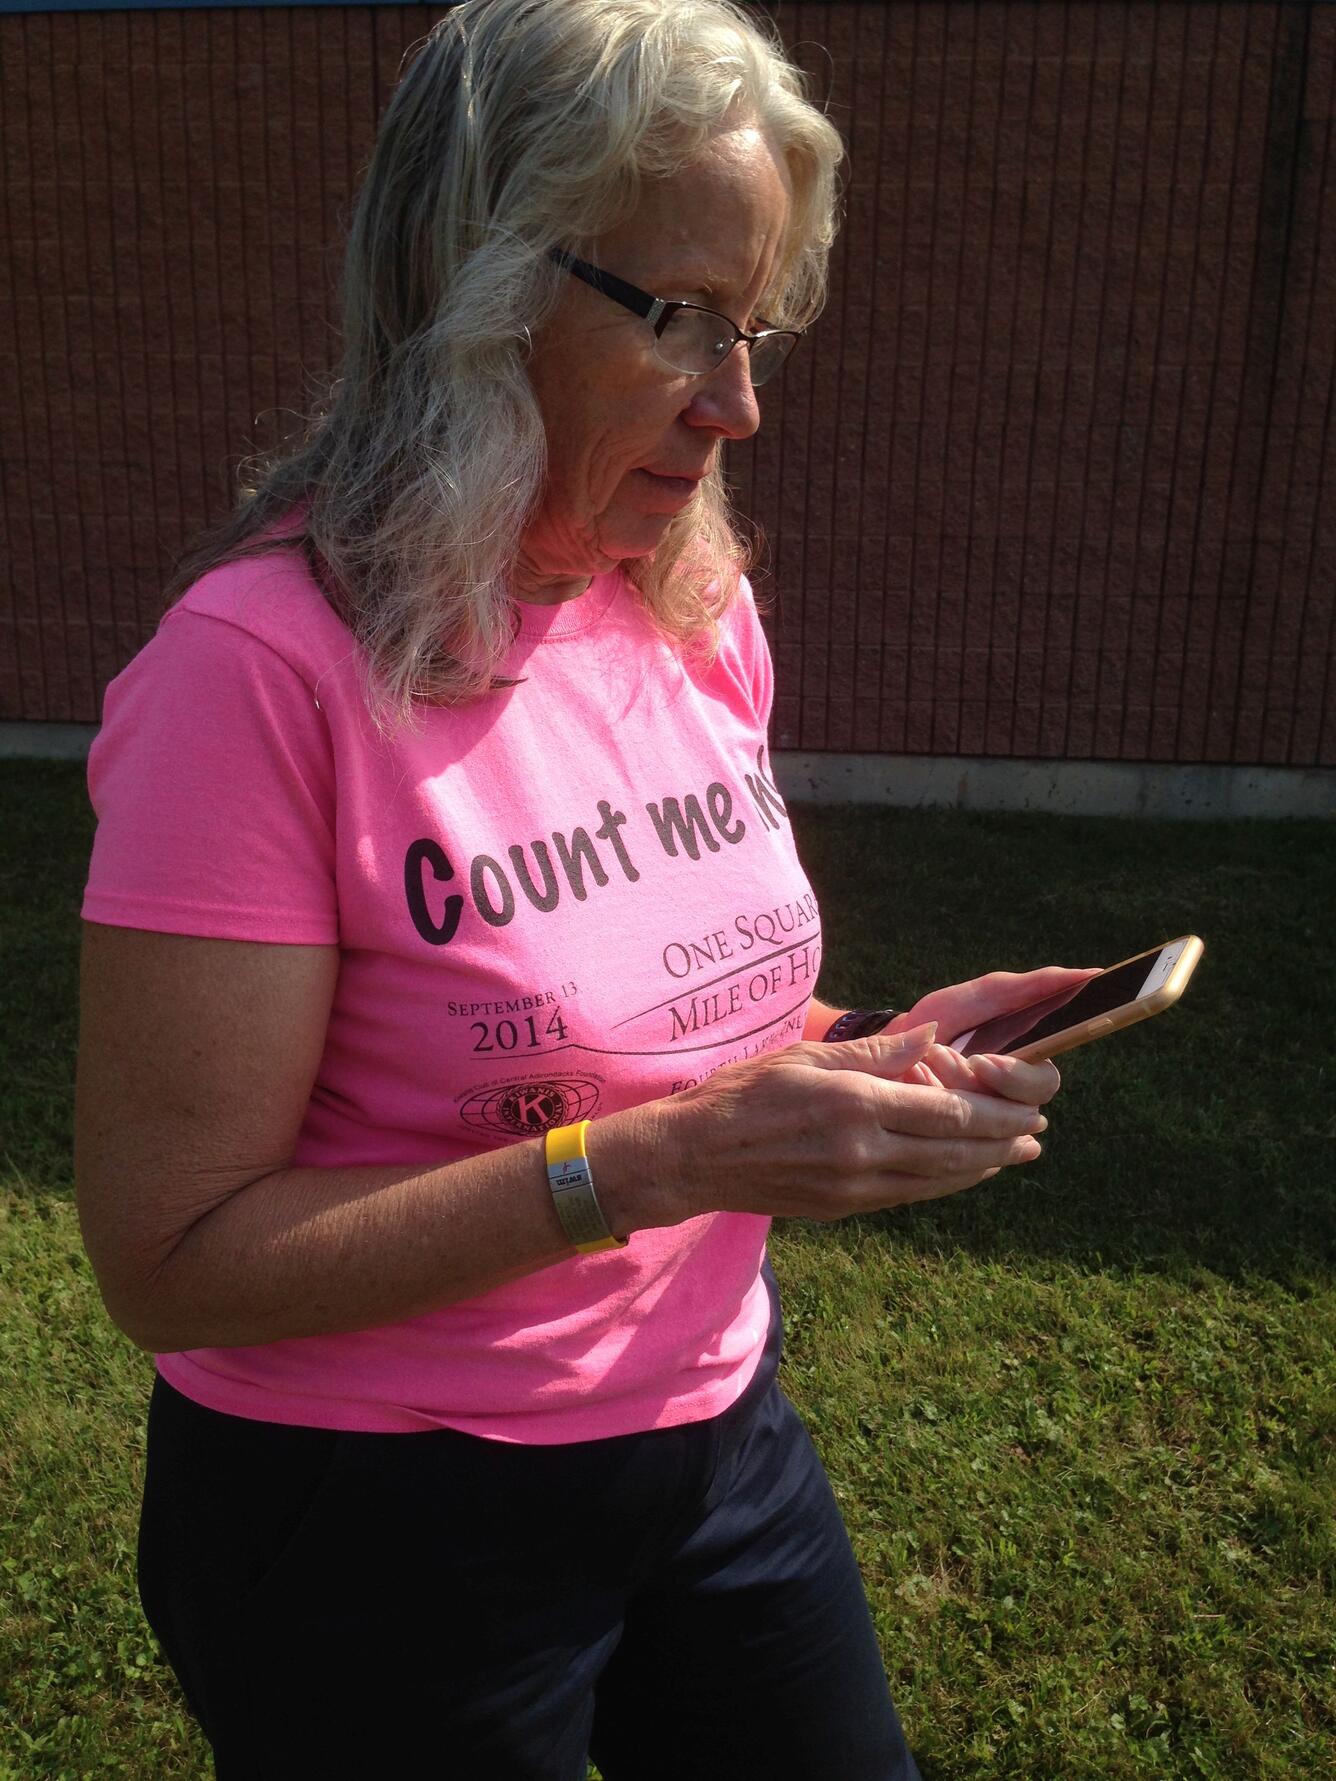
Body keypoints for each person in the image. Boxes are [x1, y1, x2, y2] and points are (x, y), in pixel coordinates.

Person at [74, 3, 1091, 1776]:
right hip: (376, 1518)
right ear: (477, 283)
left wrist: (870, 1051)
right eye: (682, 317)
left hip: (713, 1434)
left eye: (757, 325)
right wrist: (671, 1161)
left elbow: (684, 1031)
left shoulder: (687, 608)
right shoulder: (256, 673)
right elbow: (169, 1261)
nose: (740, 401)